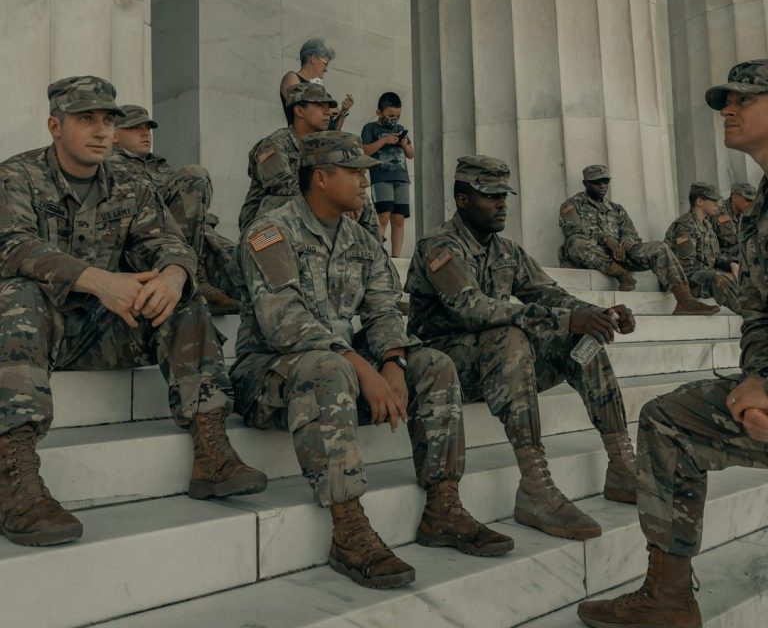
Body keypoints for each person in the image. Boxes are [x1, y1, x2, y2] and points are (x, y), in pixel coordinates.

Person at [231, 132, 514, 589]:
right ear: (320, 177)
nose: (366, 181)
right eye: (354, 172)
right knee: (329, 367)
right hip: (270, 376)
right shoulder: (271, 232)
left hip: (345, 374)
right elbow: (283, 322)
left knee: (435, 365)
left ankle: (443, 506)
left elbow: (383, 309)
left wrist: (393, 363)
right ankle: (349, 527)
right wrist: (363, 367)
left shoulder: (362, 240)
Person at [0, 76, 266, 548]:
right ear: (54, 126)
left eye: (108, 120)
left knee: (179, 294)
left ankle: (211, 449)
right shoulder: (16, 176)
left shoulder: (131, 184)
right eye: (86, 119)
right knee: (18, 295)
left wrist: (172, 275)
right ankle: (15, 474)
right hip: (35, 333)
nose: (102, 131)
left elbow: (167, 242)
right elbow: (11, 245)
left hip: (108, 331)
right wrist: (101, 281)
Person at [577, 58, 768, 628]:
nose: (727, 110)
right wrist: (759, 377)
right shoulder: (758, 210)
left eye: (745, 98)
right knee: (668, 420)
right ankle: (667, 598)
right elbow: (760, 314)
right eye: (724, 101)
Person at [406, 155, 638, 541]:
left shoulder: (506, 251)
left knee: (585, 340)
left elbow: (550, 294)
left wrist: (599, 313)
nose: (501, 204)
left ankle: (621, 464)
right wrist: (563, 319)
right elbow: (471, 308)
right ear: (462, 199)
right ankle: (535, 484)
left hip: (497, 368)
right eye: (490, 196)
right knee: (509, 335)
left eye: (504, 196)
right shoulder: (439, 247)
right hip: (446, 366)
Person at [111, 105, 240, 315]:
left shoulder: (159, 166)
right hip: (144, 237)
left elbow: (186, 206)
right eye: (135, 128)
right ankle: (194, 279)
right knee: (194, 173)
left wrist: (201, 223)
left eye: (147, 128)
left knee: (238, 254)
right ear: (114, 136)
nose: (145, 133)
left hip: (180, 233)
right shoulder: (108, 165)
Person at [559, 165, 718, 315]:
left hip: (621, 254)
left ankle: (684, 299)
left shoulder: (616, 209)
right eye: (596, 182)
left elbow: (631, 233)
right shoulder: (572, 205)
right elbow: (573, 231)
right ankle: (622, 275)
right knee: (575, 243)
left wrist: (627, 240)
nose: (602, 185)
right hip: (594, 254)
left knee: (659, 247)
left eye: (606, 181)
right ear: (585, 183)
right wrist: (606, 239)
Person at [239, 83, 380, 240]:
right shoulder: (274, 144)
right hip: (266, 225)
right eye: (320, 106)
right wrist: (334, 200)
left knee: (360, 197)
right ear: (299, 110)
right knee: (291, 199)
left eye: (328, 107)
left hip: (311, 216)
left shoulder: (324, 149)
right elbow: (281, 184)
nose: (328, 112)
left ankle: (374, 252)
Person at [664, 182, 740, 314]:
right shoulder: (685, 225)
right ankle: (751, 315)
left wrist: (731, 264)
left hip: (700, 275)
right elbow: (686, 268)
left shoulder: (707, 225)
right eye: (714, 201)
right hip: (684, 282)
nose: (718, 205)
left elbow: (714, 257)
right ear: (699, 201)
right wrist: (717, 274)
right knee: (719, 278)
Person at [361, 92, 414, 257]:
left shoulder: (400, 129)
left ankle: (396, 256)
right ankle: (378, 253)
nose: (393, 119)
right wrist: (384, 141)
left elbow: (411, 154)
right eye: (390, 115)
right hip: (381, 178)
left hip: (401, 178)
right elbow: (364, 151)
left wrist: (405, 144)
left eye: (397, 116)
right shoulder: (370, 128)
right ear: (379, 113)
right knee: (383, 216)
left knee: (398, 218)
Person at [279, 37, 353, 130]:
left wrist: (343, 112)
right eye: (325, 63)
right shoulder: (292, 77)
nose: (326, 69)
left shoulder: (317, 87)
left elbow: (332, 131)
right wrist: (328, 110)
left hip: (321, 142)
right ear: (313, 59)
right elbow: (299, 105)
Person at [709, 180, 756, 260]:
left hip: (740, 257)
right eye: (748, 200)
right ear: (734, 197)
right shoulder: (717, 212)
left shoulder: (747, 213)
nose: (751, 204)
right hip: (722, 260)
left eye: (753, 201)